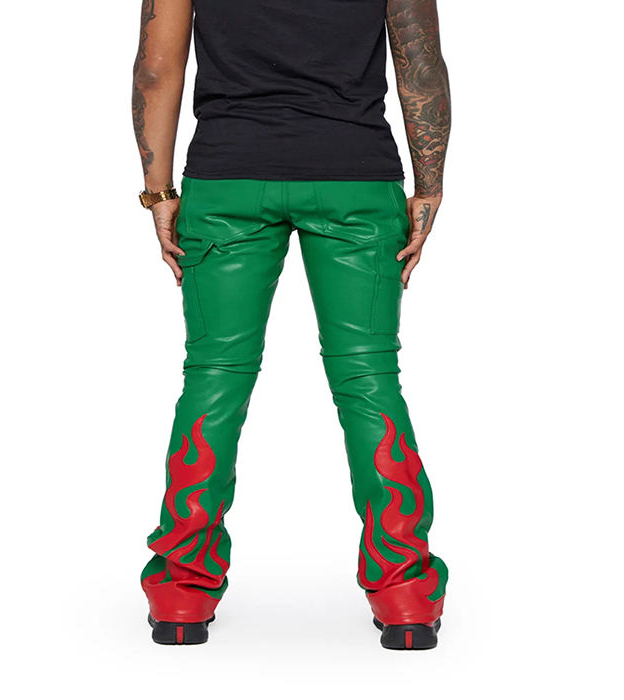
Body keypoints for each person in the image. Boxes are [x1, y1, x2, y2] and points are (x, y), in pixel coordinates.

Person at [132, 0, 451, 650]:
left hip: (228, 176)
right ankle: (406, 595)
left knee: (215, 378)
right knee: (368, 378)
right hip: (354, 177)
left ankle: (181, 592)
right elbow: (420, 64)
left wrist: (158, 193)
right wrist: (429, 188)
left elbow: (157, 70)